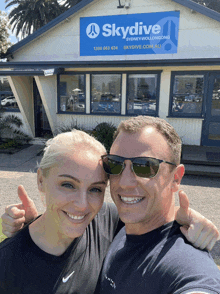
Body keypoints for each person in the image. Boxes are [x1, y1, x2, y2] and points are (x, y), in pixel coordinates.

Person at [1, 123, 219, 293]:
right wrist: (37, 222)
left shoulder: (107, 220)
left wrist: (194, 220)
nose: (82, 204)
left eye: (95, 189)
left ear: (176, 177)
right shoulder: (7, 262)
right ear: (41, 180)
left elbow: (196, 281)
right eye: (68, 185)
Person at [94, 116, 220, 294]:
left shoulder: (186, 262)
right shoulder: (121, 223)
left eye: (145, 166)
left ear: (175, 178)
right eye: (115, 164)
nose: (125, 182)